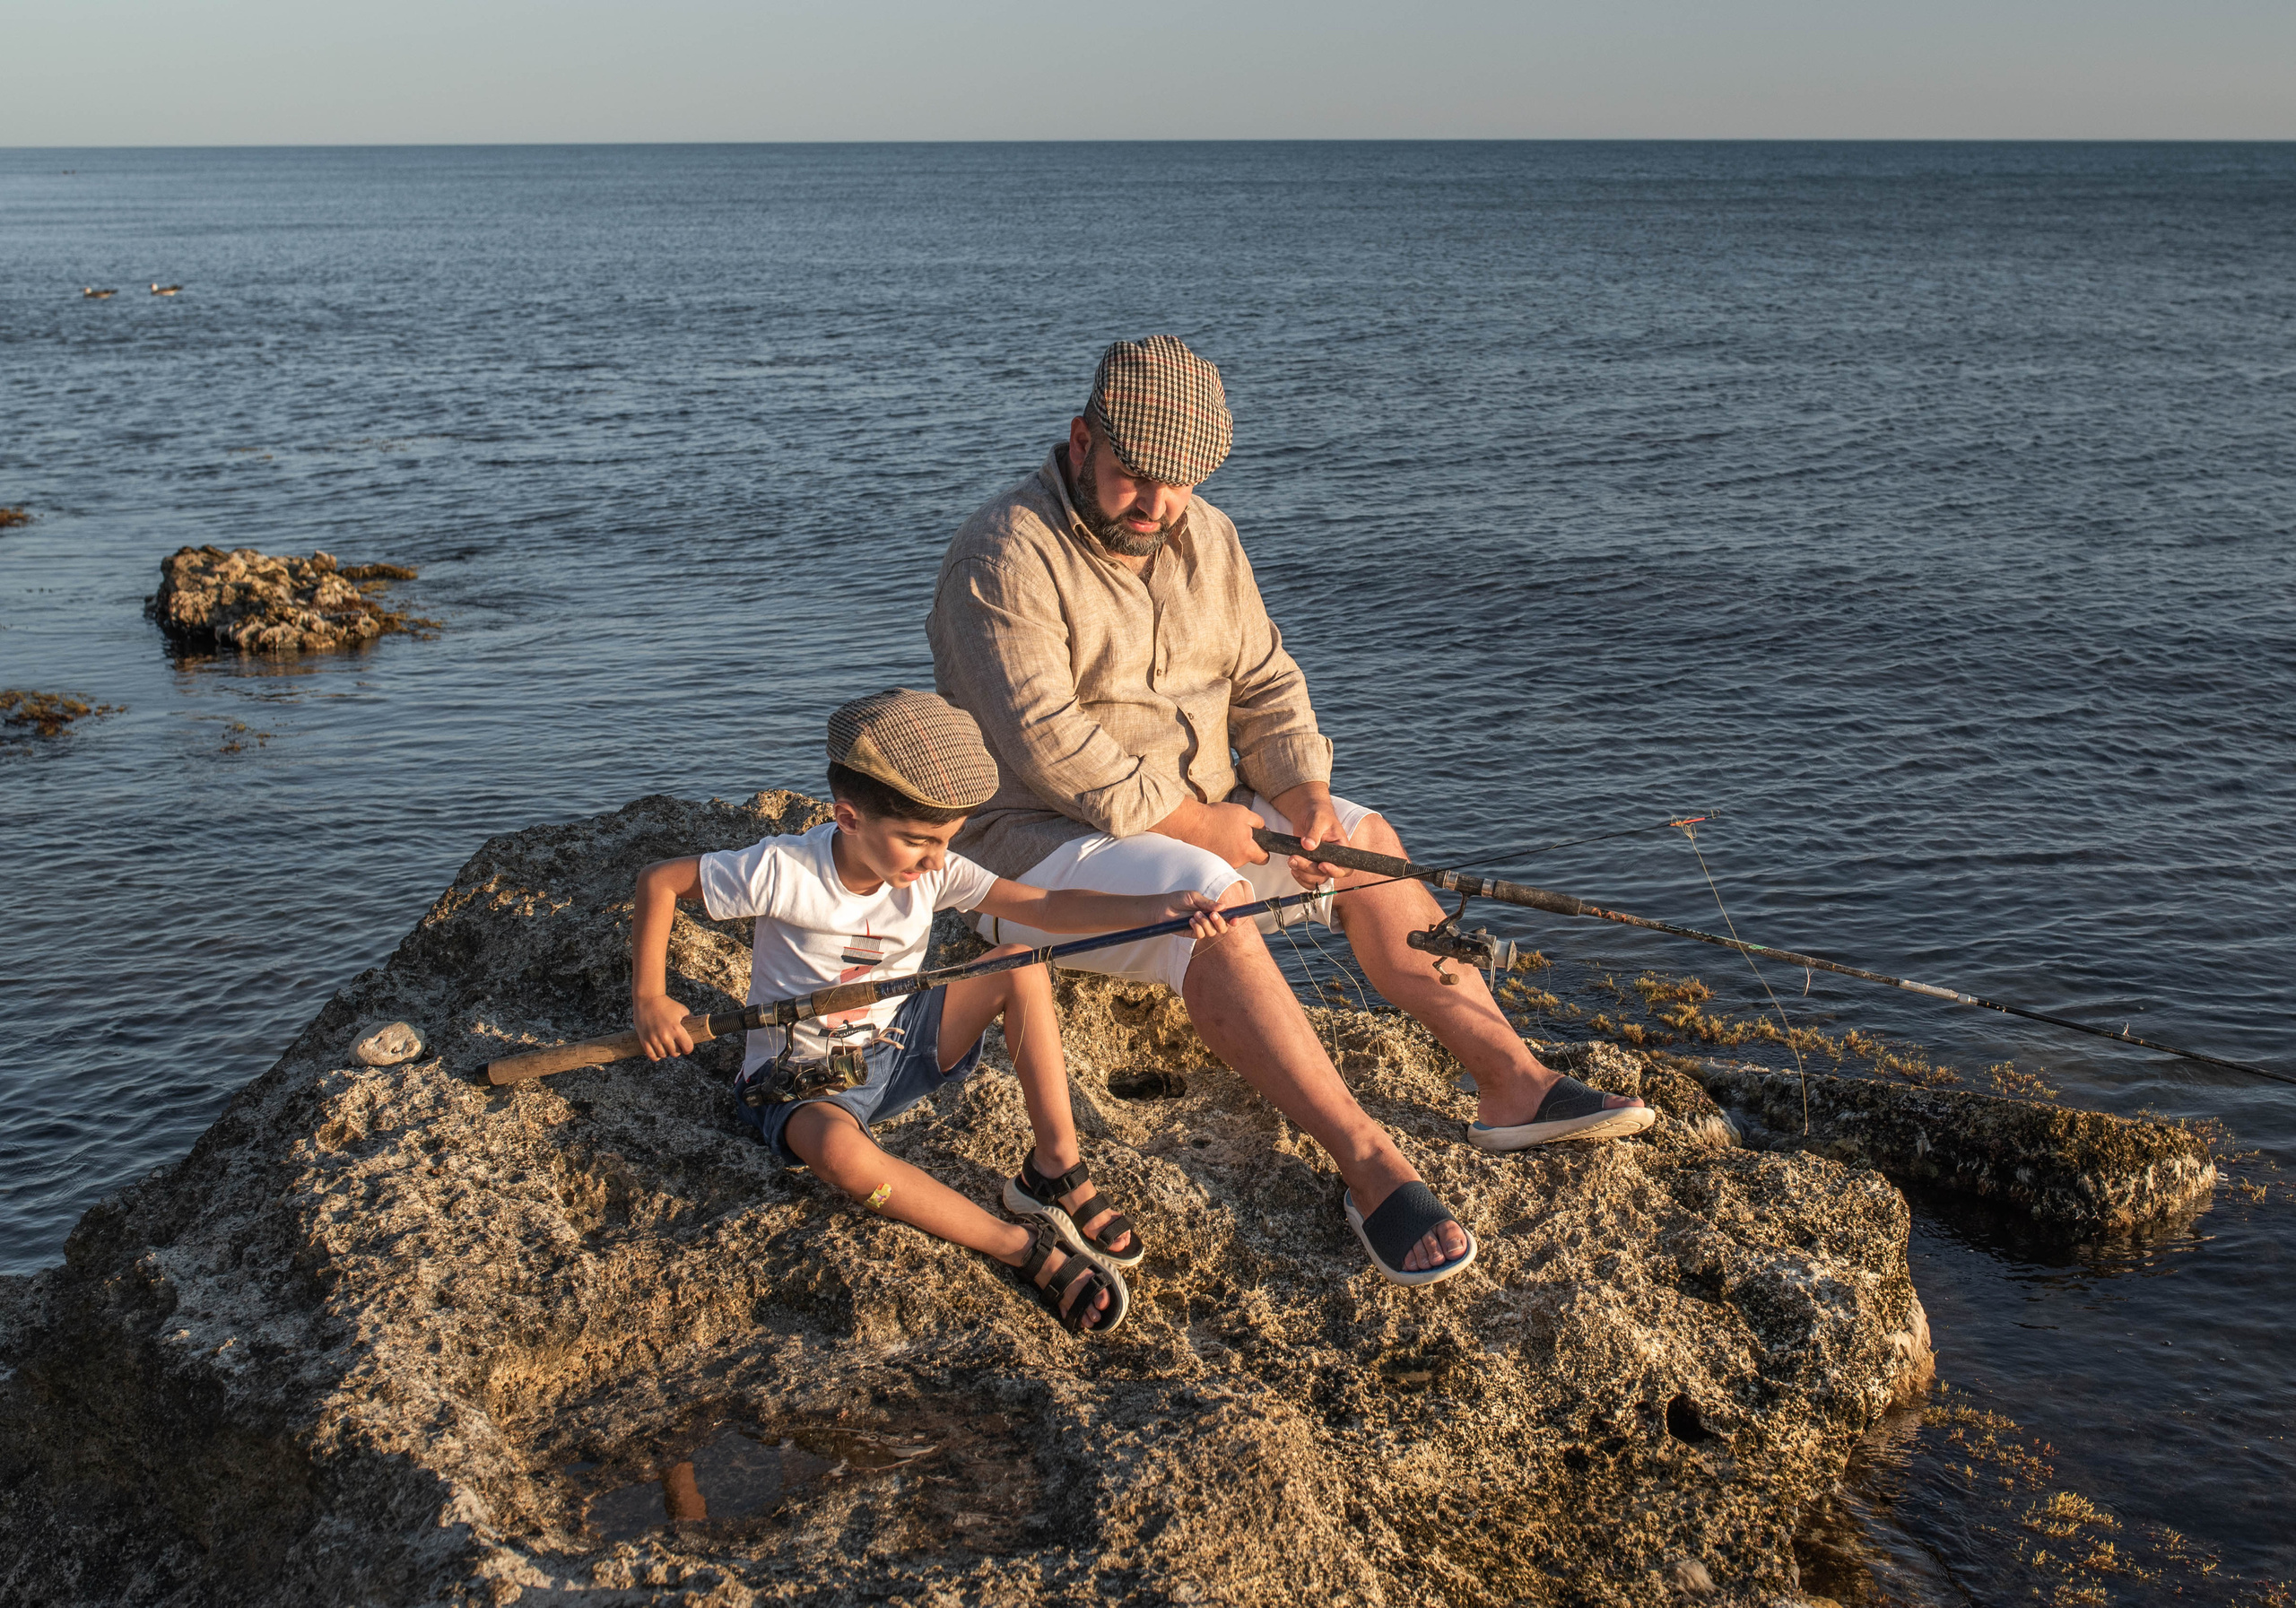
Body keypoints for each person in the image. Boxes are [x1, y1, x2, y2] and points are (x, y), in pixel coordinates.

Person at [927, 335, 1653, 1291]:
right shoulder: (1004, 551)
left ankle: (1510, 1082)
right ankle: (1368, 1164)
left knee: (1365, 839)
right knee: (1208, 890)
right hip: (1036, 853)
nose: (1154, 505)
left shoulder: (1210, 538)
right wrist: (1199, 824)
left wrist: (1303, 791)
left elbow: (1266, 680)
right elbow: (1048, 744)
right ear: (1078, 441)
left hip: (1205, 813)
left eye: (1177, 484)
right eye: (1132, 478)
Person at [627, 689, 1230, 1336]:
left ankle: (1054, 1169)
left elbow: (1044, 907)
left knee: (1019, 959)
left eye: (947, 839)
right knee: (842, 1157)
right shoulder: (785, 868)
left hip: (901, 1040)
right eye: (918, 841)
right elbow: (661, 881)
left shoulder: (933, 869)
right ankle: (1016, 1245)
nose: (937, 859)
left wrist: (1154, 910)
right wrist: (651, 999)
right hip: (801, 1081)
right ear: (849, 817)